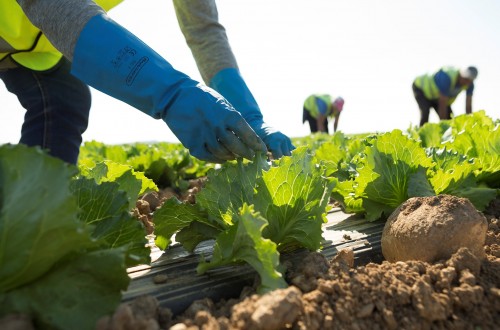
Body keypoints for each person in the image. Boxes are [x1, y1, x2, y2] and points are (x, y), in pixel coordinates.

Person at [0, 0, 294, 165]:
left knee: (64, 100)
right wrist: (168, 92)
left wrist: (249, 116)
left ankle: (35, 224)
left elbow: (203, 30)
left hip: (32, 46)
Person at [412, 66, 478, 126]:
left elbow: (468, 106)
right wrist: (444, 126)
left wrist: (471, 124)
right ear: (461, 75)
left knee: (450, 120)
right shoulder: (447, 77)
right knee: (425, 112)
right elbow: (442, 105)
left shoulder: (469, 85)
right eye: (465, 79)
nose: (466, 83)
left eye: (469, 81)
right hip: (421, 89)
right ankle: (420, 137)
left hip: (436, 97)